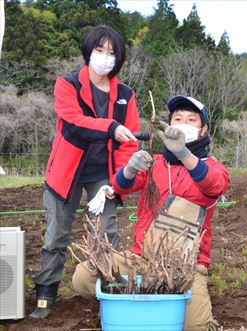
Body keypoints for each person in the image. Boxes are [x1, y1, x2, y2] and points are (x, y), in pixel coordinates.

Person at [72, 95, 230, 331]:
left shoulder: (212, 166)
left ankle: (156, 300)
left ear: (203, 130)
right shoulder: (155, 163)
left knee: (196, 326)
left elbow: (215, 186)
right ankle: (127, 301)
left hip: (187, 265)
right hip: (142, 258)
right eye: (177, 119)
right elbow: (120, 185)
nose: (183, 123)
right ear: (168, 126)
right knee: (82, 278)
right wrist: (130, 168)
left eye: (191, 119)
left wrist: (185, 155)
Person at [31, 25, 140, 319]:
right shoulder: (67, 85)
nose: (105, 57)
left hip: (104, 174)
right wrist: (111, 127)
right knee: (56, 235)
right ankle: (46, 294)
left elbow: (129, 142)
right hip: (66, 172)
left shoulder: (125, 95)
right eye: (99, 50)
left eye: (112, 52)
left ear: (118, 59)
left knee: (106, 233)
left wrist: (119, 182)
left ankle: (109, 293)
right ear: (88, 52)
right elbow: (73, 122)